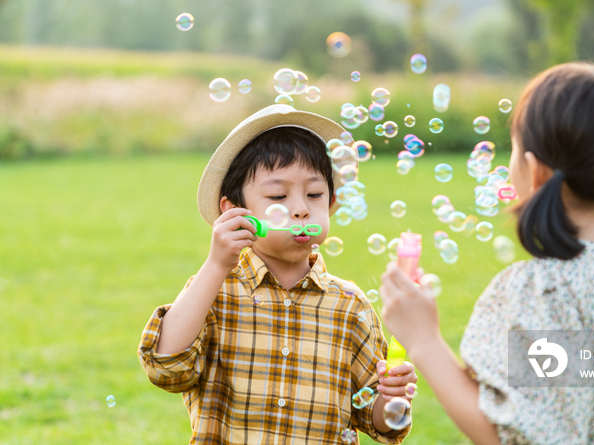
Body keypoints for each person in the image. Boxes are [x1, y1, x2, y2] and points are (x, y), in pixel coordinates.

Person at [379, 63, 594, 445]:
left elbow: (527, 435)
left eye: (513, 149)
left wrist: (424, 340)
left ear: (536, 172)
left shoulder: (546, 292)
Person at [138, 104, 417, 444]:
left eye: (315, 194)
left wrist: (391, 399)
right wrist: (215, 265)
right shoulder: (214, 292)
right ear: (237, 212)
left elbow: (377, 421)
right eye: (278, 196)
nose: (301, 208)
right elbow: (166, 368)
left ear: (331, 204)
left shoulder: (351, 308)